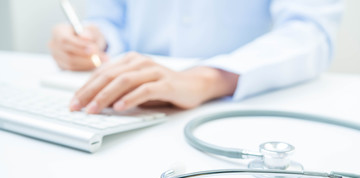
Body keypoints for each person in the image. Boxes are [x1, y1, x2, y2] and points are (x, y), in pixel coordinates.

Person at [49, 0, 343, 114]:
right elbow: (110, 17)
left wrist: (206, 79)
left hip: (236, 105)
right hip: (129, 102)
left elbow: (311, 31)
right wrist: (93, 41)